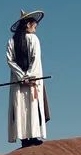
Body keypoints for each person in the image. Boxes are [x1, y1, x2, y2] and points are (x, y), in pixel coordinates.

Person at [6, 9, 50, 147]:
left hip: (19, 82)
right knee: (30, 106)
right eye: (34, 23)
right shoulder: (33, 39)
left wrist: (22, 76)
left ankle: (25, 139)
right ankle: (32, 137)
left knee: (22, 107)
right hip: (31, 81)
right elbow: (35, 59)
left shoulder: (11, 41)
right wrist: (29, 76)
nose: (36, 26)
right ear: (27, 24)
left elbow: (10, 61)